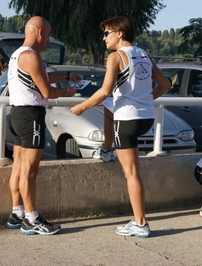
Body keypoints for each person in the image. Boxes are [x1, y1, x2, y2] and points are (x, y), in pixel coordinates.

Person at [70, 16, 171, 238]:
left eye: (107, 33)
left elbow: (105, 91)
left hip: (125, 121)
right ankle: (107, 150)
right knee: (110, 111)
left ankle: (140, 223)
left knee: (132, 174)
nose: (104, 38)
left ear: (120, 33)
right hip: (145, 118)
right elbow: (166, 84)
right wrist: (146, 100)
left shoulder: (116, 57)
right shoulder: (144, 54)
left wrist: (82, 107)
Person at [5, 16, 81, 236]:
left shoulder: (18, 55)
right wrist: (68, 92)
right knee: (30, 171)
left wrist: (67, 75)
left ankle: (17, 213)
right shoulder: (31, 56)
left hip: (18, 114)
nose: (48, 40)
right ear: (39, 33)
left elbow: (41, 77)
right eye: (47, 35)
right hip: (31, 117)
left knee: (19, 166)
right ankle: (31, 218)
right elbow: (47, 91)